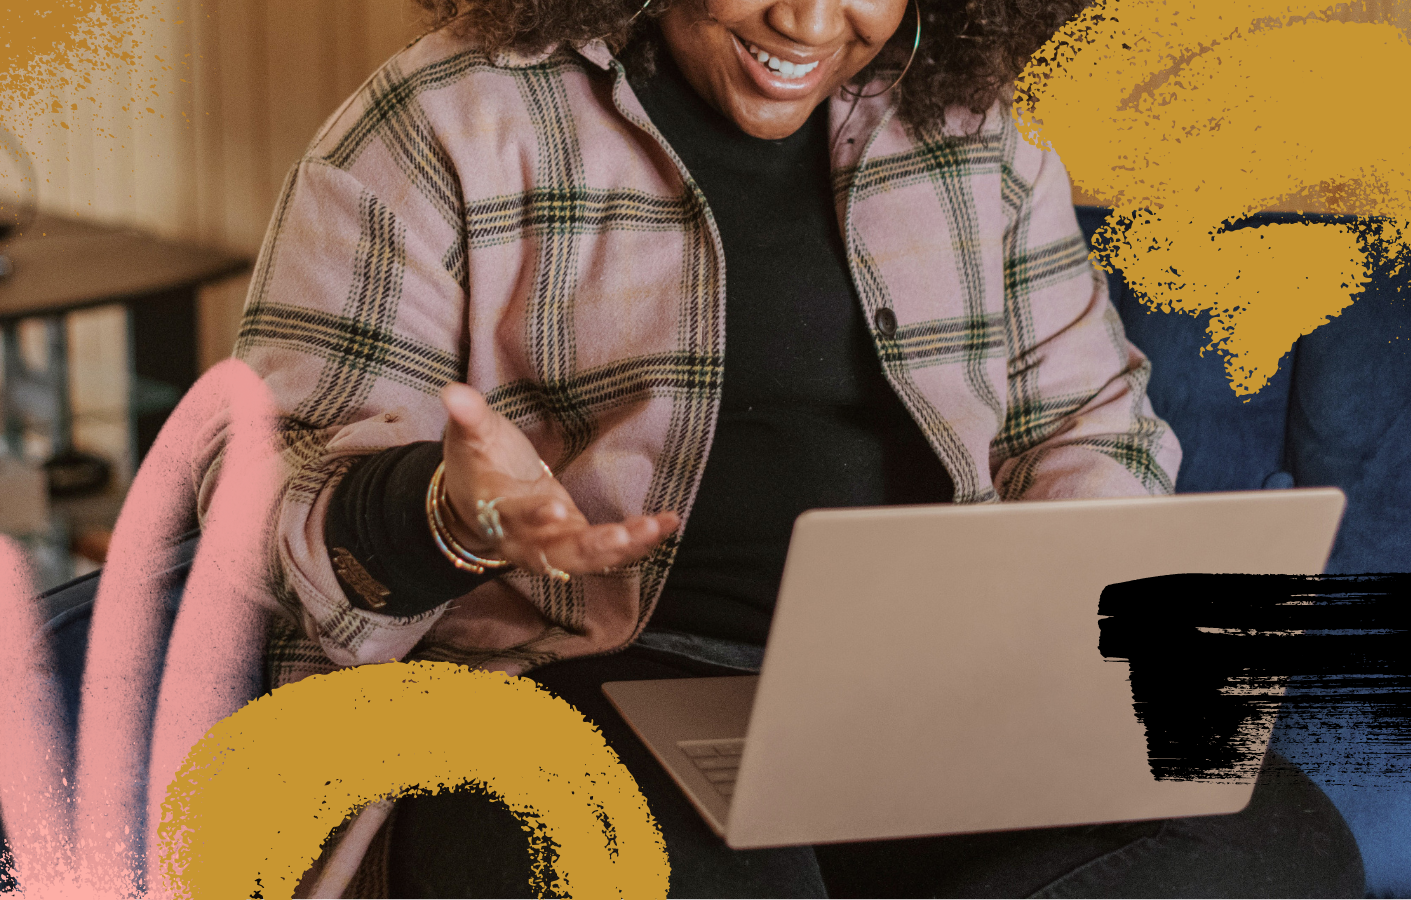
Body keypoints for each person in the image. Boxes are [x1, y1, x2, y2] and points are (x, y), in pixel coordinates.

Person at [206, 0, 1367, 894]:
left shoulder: (976, 129)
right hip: (558, 691)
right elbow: (259, 505)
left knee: (1278, 848)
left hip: (915, 702)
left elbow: (1084, 419)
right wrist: (443, 515)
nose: (812, 26)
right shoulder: (441, 119)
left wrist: (1064, 618)